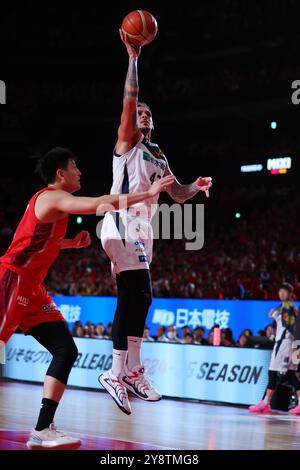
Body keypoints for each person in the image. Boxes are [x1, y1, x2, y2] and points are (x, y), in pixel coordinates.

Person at [0, 147, 174, 448]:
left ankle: (43, 429)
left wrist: (68, 243)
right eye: (74, 166)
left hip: (33, 288)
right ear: (60, 174)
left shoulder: (54, 206)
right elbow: (100, 203)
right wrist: (148, 193)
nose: (79, 172)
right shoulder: (52, 196)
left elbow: (36, 240)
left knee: (65, 350)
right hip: (12, 279)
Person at [99, 30, 212, 415]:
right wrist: (133, 59)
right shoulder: (127, 142)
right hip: (120, 220)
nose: (144, 116)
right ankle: (118, 372)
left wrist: (193, 187)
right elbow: (130, 100)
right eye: (140, 113)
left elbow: (175, 192)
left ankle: (129, 371)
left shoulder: (158, 156)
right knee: (138, 293)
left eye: (149, 114)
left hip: (142, 231)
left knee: (138, 297)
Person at [249, 283, 300, 414]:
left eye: (285, 292)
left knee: (272, 372)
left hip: (284, 343)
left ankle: (265, 403)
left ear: (290, 294)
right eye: (280, 291)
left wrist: (275, 315)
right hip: (289, 343)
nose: (281, 294)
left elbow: (290, 325)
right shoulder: (287, 306)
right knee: (290, 374)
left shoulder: (288, 307)